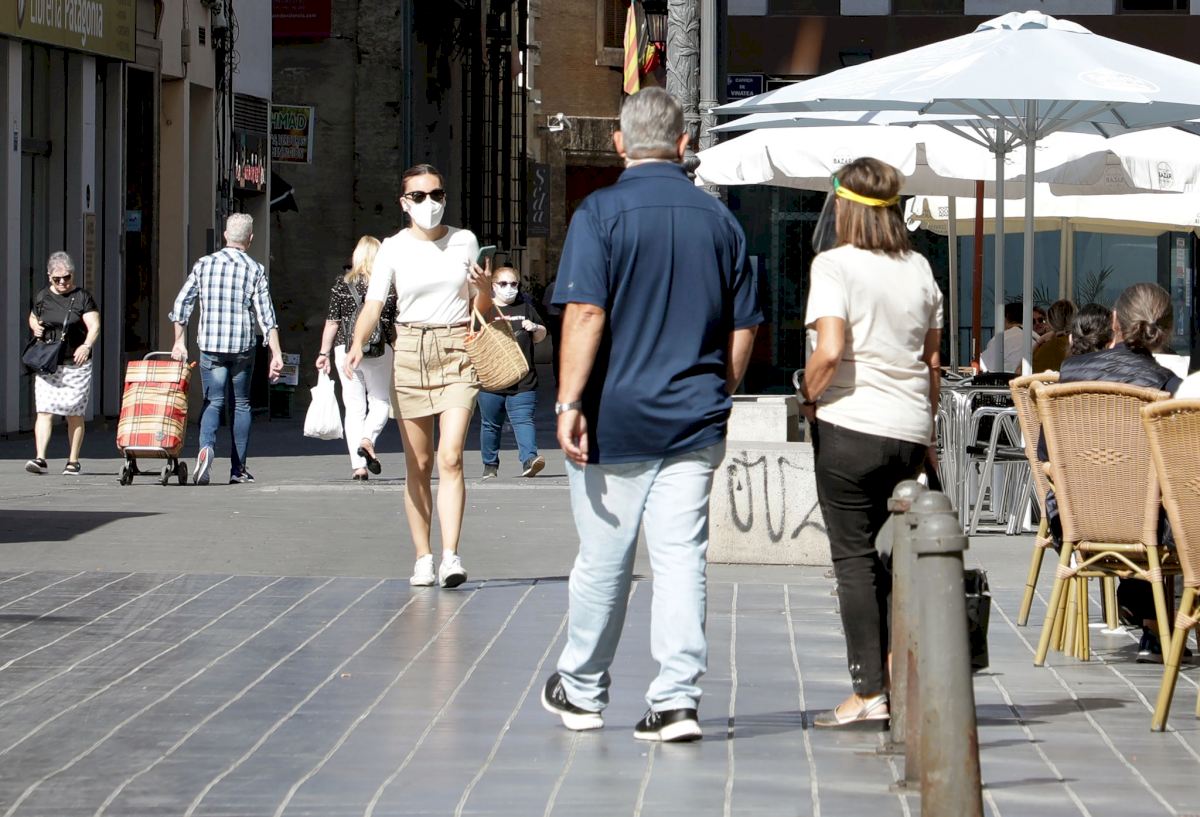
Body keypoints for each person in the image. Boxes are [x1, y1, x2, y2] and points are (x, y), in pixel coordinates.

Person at [539, 87, 761, 743]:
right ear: (684, 144)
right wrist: (719, 388)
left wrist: (569, 401)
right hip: (693, 418)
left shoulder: (599, 213)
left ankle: (583, 689)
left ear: (619, 143)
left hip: (614, 419)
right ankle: (676, 700)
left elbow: (585, 311)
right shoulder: (720, 221)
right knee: (681, 559)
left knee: (605, 559)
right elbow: (745, 325)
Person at [801, 157, 943, 728]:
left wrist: (808, 395)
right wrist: (926, 427)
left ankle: (869, 691)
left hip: (851, 424)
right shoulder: (920, 268)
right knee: (890, 556)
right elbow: (932, 363)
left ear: (845, 207)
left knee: (854, 558)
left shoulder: (834, 265)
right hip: (908, 430)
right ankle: (894, 668)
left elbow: (830, 349)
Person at [345, 163, 493, 589]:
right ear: (404, 203)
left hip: (457, 349)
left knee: (451, 456)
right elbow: (374, 304)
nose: (430, 203)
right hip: (410, 350)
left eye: (437, 194)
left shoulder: (464, 241)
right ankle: (423, 556)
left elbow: (479, 306)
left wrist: (484, 289)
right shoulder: (393, 248)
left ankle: (451, 556)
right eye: (420, 196)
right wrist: (357, 342)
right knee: (419, 463)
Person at [1040, 284, 1181, 662]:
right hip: (1147, 529)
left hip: (1073, 522)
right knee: (1168, 504)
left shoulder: (1070, 374)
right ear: (1166, 330)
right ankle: (1158, 626)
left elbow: (1044, 453)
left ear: (1115, 321)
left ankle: (1145, 613)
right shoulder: (1167, 384)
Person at [170, 213, 283, 485]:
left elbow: (181, 305)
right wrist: (276, 353)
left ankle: (206, 448)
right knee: (241, 404)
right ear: (250, 239)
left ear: (225, 235)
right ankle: (238, 469)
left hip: (211, 346)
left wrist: (179, 341)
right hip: (242, 347)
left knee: (214, 401)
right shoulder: (255, 269)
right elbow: (266, 316)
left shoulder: (204, 264)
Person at [317, 237, 397, 480]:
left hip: (346, 348)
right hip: (379, 348)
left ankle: (359, 466)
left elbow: (333, 321)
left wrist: (323, 353)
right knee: (380, 400)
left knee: (353, 407)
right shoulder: (389, 285)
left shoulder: (342, 284)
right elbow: (393, 322)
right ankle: (367, 439)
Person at [24, 252, 101, 475]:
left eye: (66, 277)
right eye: (57, 279)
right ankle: (40, 458)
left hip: (75, 363)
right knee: (45, 410)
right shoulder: (43, 296)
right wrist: (35, 326)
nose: (62, 282)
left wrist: (86, 345)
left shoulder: (82, 297)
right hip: (48, 362)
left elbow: (94, 325)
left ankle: (73, 460)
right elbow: (33, 316)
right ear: (49, 276)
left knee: (73, 412)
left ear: (72, 275)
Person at [478, 266, 547, 480]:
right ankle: (490, 464)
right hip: (492, 379)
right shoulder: (484, 309)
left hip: (523, 378)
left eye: (514, 284)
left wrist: (535, 327)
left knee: (523, 419)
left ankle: (529, 460)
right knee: (490, 424)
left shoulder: (526, 308)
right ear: (493, 286)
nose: (509, 288)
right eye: (503, 284)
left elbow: (541, 336)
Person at [980, 301, 1024, 373]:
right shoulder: (1035, 337)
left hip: (1008, 379)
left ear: (1005, 318)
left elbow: (983, 365)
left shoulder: (1002, 339)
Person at [1032, 299, 1075, 372]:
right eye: (1033, 321)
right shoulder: (1083, 345)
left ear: (1049, 322)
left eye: (1040, 320)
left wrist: (1039, 341)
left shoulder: (1044, 349)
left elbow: (1020, 371)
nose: (1037, 323)